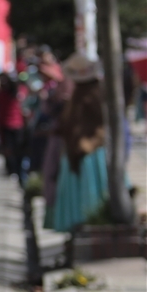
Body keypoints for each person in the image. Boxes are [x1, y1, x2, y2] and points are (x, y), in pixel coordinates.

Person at [42, 54, 110, 232]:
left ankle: (88, 225)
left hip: (90, 153)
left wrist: (87, 143)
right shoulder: (80, 94)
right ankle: (79, 228)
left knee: (88, 194)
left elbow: (100, 125)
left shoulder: (93, 94)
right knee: (79, 194)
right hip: (77, 152)